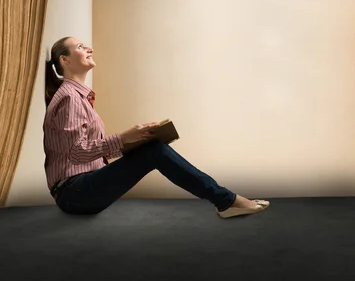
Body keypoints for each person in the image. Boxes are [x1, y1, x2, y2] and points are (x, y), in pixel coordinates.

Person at [43, 36, 270, 219]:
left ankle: (226, 200)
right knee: (155, 152)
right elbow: (76, 153)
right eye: (81, 47)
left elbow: (90, 153)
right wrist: (123, 137)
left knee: (152, 147)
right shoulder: (70, 98)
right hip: (73, 193)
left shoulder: (77, 97)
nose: (89, 48)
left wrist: (136, 140)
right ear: (65, 60)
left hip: (81, 190)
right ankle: (227, 201)